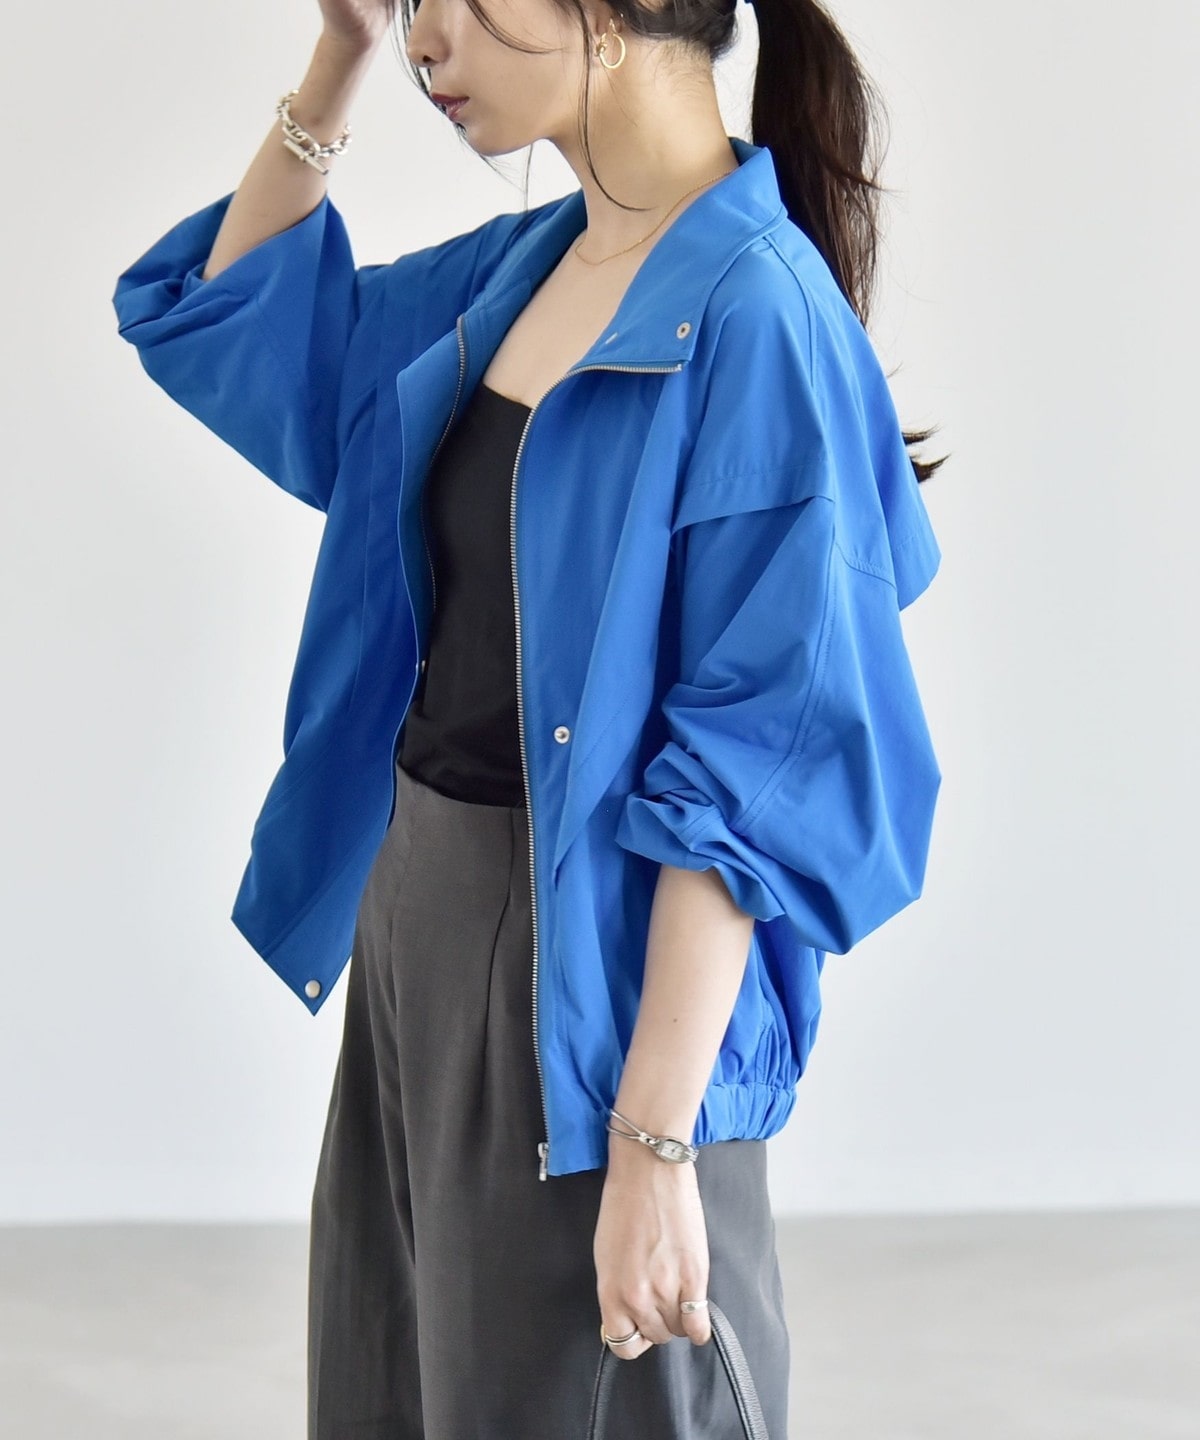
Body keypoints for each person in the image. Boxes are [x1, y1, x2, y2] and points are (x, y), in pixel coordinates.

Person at [112, 0, 947, 1432]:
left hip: (599, 991)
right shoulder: (529, 266)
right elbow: (242, 328)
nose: (426, 35)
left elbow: (759, 776)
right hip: (414, 936)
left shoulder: (760, 317)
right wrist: (338, 55)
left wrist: (657, 1144)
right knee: (395, 1393)